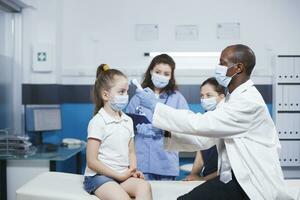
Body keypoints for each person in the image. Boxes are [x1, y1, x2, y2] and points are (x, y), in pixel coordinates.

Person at [135, 45, 300, 199]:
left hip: (251, 182)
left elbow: (202, 124)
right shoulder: (231, 100)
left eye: (222, 63)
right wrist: (166, 132)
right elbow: (205, 138)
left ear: (238, 68)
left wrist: (156, 107)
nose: (218, 67)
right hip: (232, 179)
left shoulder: (248, 102)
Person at [83, 64, 152, 200]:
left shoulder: (127, 120)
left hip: (123, 175)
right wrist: (119, 176)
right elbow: (92, 161)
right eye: (121, 92)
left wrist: (133, 170)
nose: (126, 96)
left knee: (145, 186)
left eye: (127, 92)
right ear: (105, 95)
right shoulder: (98, 122)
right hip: (99, 177)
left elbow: (131, 151)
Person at [126, 54, 189, 180]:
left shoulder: (177, 99)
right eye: (158, 72)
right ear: (150, 72)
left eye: (166, 74)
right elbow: (126, 126)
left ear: (171, 76)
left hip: (166, 162)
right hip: (141, 162)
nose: (161, 76)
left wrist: (160, 128)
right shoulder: (138, 97)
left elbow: (185, 125)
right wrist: (136, 128)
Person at [183, 77, 225, 181]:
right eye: (202, 96)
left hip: (223, 179)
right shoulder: (204, 119)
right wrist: (194, 174)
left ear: (222, 97)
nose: (204, 99)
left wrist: (203, 180)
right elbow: (202, 150)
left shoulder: (226, 122)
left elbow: (228, 166)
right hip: (208, 177)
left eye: (209, 95)